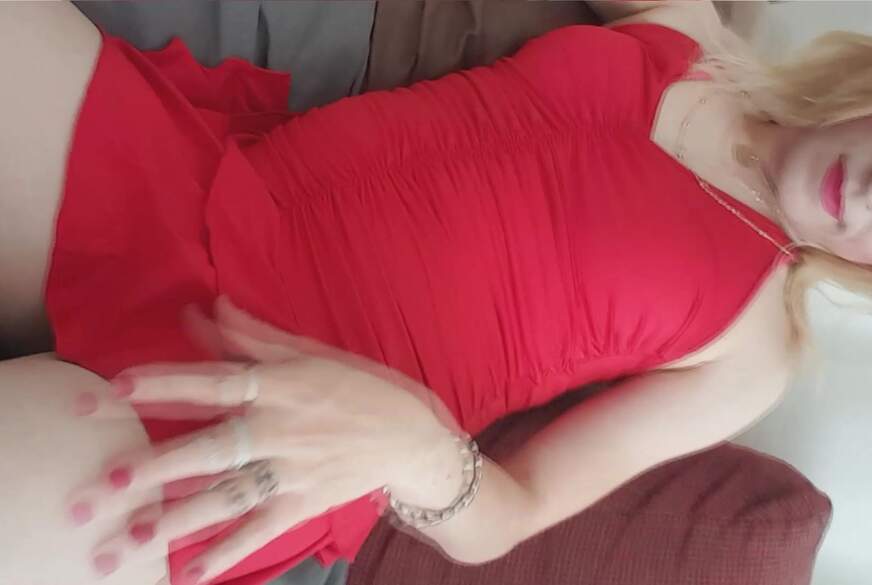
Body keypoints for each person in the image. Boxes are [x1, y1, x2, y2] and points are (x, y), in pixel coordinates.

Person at [1, 1, 868, 584]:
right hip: (201, 184)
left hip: (274, 417)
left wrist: (416, 448)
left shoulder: (755, 351)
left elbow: (511, 515)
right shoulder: (695, 28)